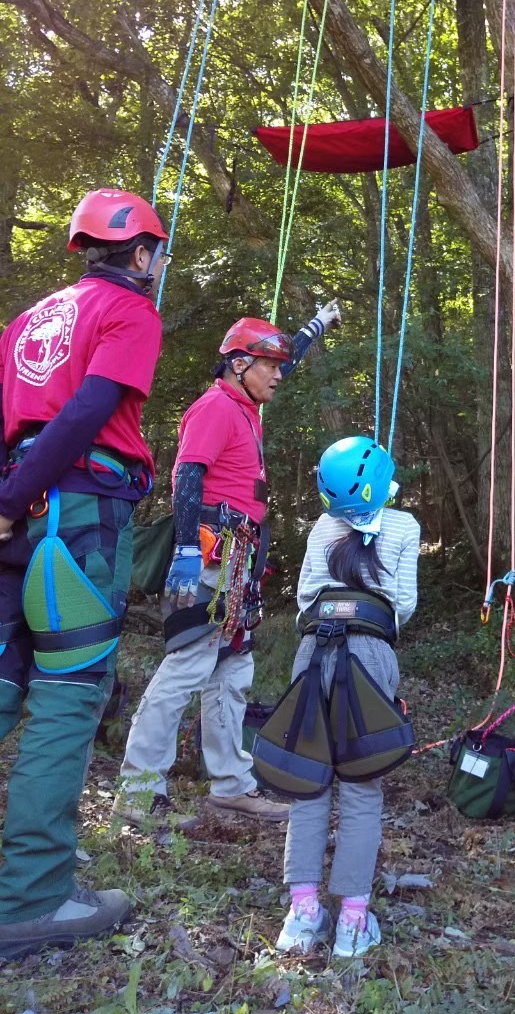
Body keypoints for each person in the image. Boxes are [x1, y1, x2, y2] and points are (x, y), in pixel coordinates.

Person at [0, 189, 167, 960]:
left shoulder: (32, 319)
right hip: (79, 514)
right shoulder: (131, 313)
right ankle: (33, 899)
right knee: (68, 699)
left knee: (6, 681)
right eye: (155, 254)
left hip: (16, 515)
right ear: (138, 253)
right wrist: (18, 494)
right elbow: (90, 409)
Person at [115, 304, 341, 827]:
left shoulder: (247, 404)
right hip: (212, 561)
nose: (280, 375)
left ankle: (231, 785)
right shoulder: (215, 409)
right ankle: (139, 790)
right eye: (270, 367)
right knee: (186, 667)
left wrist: (317, 325)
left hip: (239, 563)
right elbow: (187, 477)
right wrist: (190, 553)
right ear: (239, 364)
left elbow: (287, 355)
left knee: (232, 669)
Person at [275, 435, 419, 958]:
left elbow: (306, 597)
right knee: (361, 785)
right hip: (370, 654)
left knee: (309, 780)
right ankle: (353, 923)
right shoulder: (404, 525)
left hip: (313, 649)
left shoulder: (322, 525)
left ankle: (303, 913)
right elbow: (403, 603)